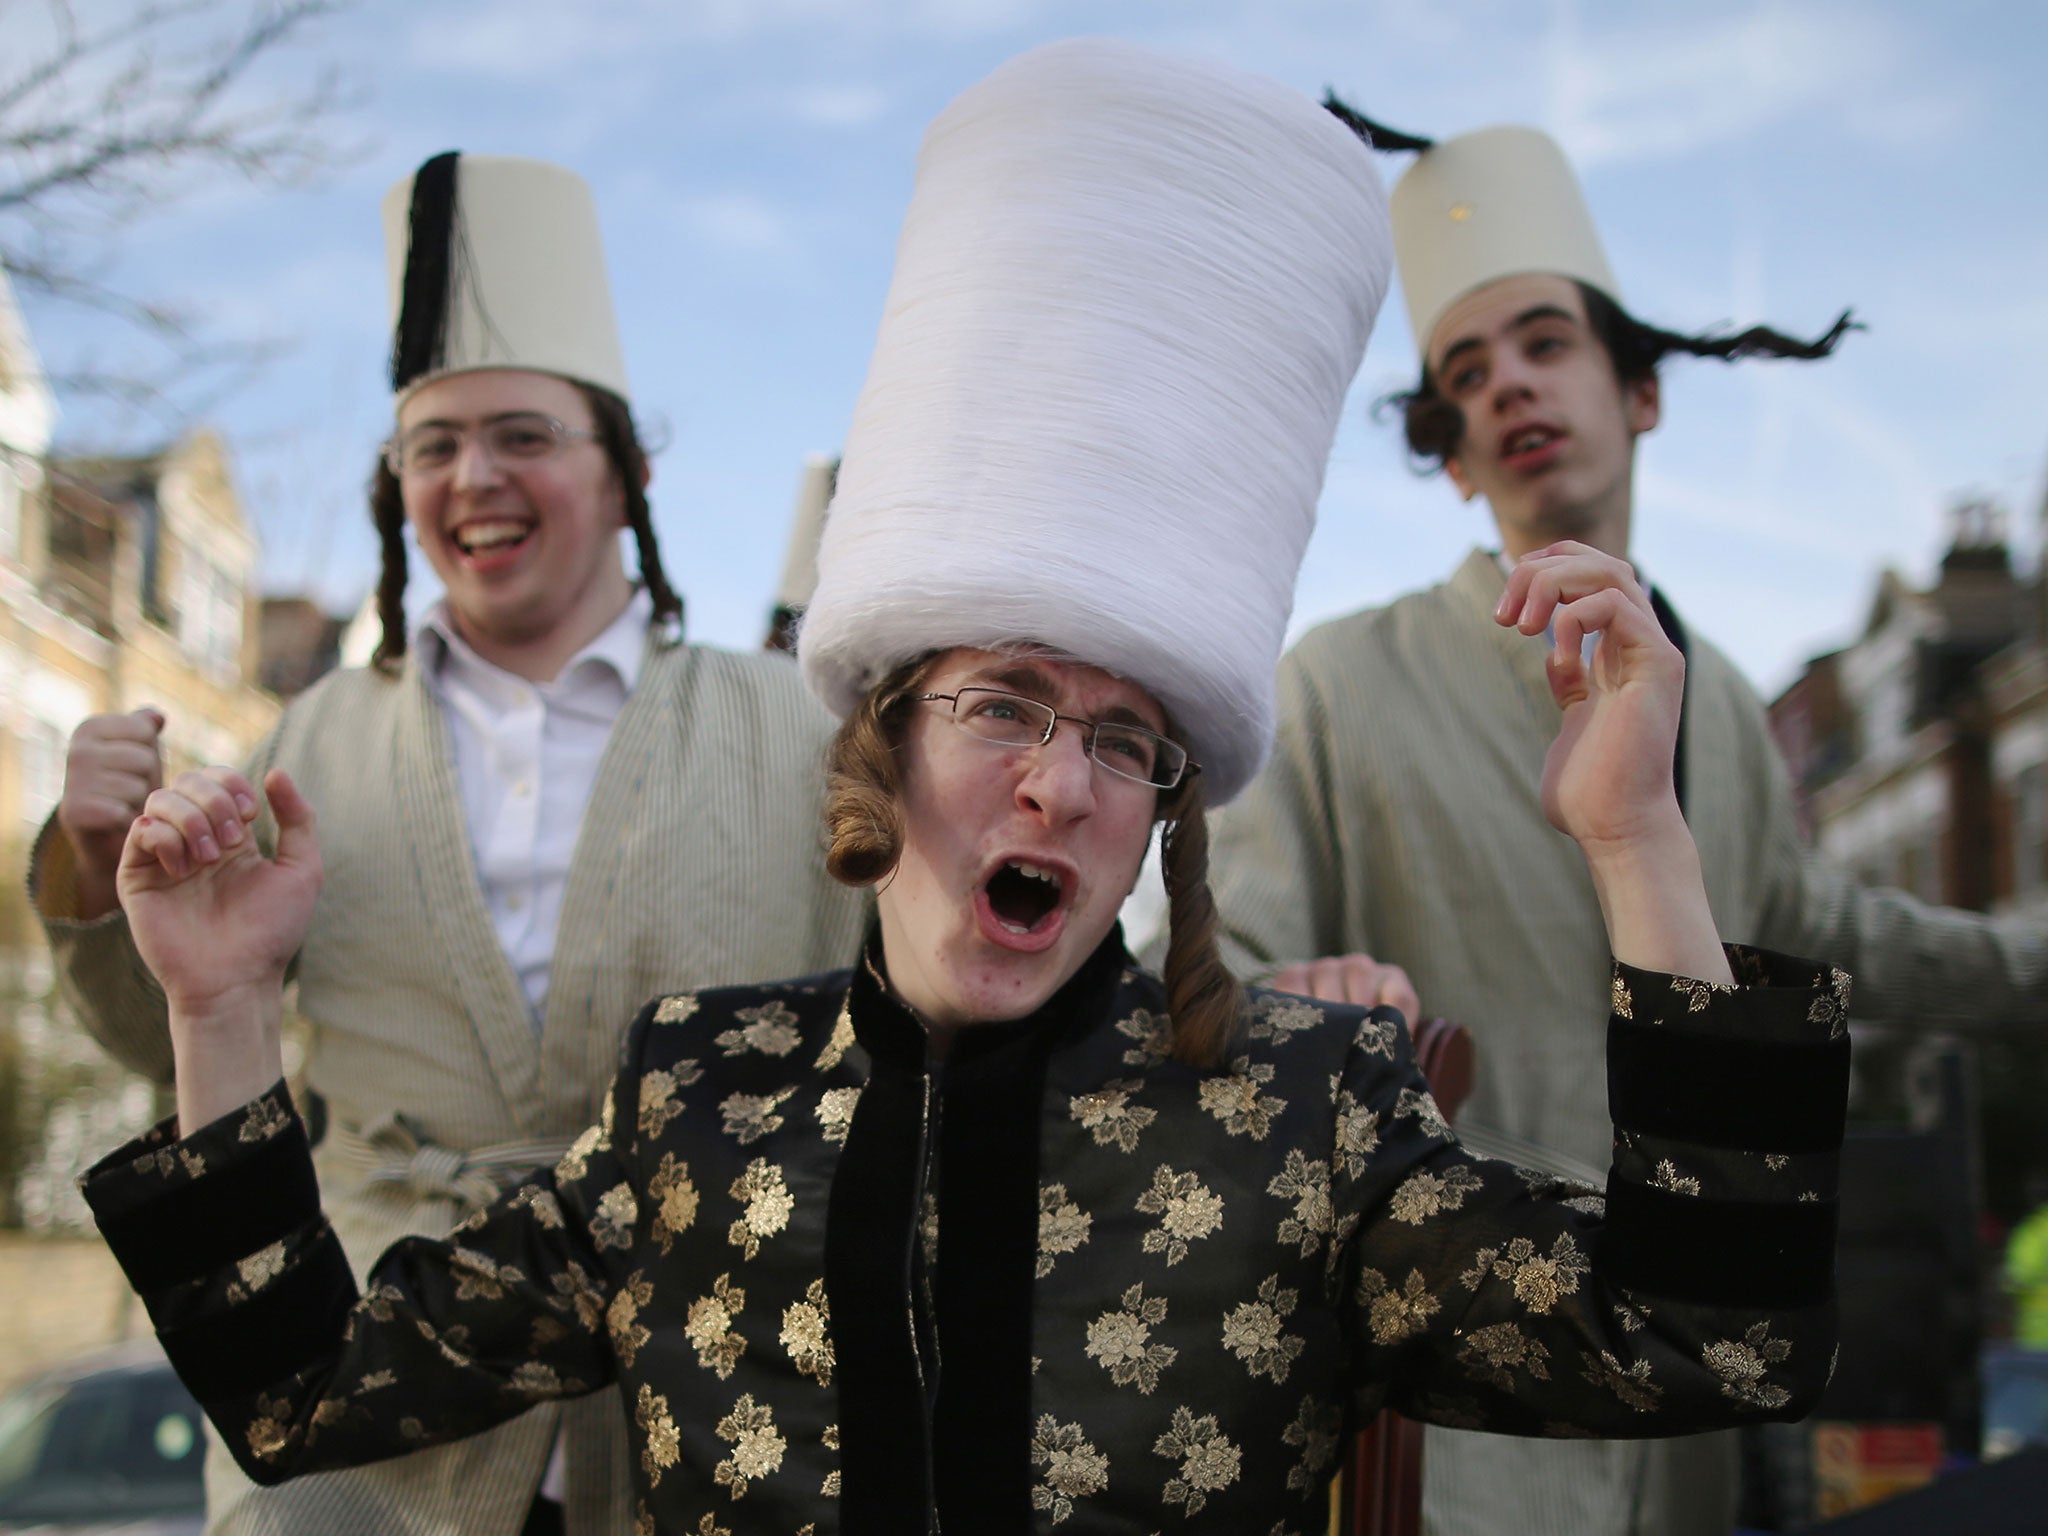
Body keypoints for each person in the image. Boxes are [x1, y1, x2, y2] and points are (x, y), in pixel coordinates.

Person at [80, 41, 1851, 1536]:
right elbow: (307, 1388)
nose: (1062, 784)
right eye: (1002, 705)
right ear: (881, 745)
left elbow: (1713, 1334)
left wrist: (1638, 839)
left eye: (1124, 740)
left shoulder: (1305, 1118)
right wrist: (221, 1006)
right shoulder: (698, 1112)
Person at [1203, 110, 2048, 1536]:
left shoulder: (1705, 703)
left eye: (1546, 343)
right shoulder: (1338, 682)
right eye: (1468, 376)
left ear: (1639, 389)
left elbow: (1826, 930)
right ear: (1454, 455)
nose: (1510, 387)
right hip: (1452, 1423)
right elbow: (1225, 977)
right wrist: (1293, 1001)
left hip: (1689, 1418)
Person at [29, 154, 868, 1534]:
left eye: (524, 434)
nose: (475, 476)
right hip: (361, 1401)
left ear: (627, 469)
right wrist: (88, 863)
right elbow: (175, 1041)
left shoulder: (799, 732)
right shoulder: (306, 746)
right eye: (435, 445)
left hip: (715, 1397)